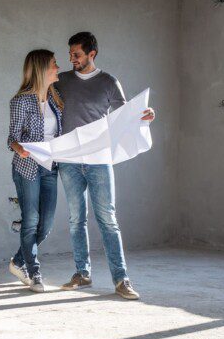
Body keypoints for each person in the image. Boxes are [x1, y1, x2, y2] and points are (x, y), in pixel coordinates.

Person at [56, 32, 155, 300]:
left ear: (92, 54)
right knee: (76, 220)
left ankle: (121, 279)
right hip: (69, 161)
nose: (72, 59)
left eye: (76, 54)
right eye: (70, 55)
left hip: (99, 160)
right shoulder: (62, 81)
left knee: (108, 220)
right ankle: (82, 273)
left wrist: (145, 118)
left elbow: (126, 118)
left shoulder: (109, 82)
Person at [7, 49, 64, 292]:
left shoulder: (55, 99)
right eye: (54, 64)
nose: (58, 68)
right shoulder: (21, 101)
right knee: (31, 222)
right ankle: (34, 272)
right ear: (42, 69)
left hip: (50, 168)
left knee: (46, 225)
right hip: (28, 168)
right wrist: (20, 149)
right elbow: (11, 138)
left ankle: (18, 261)